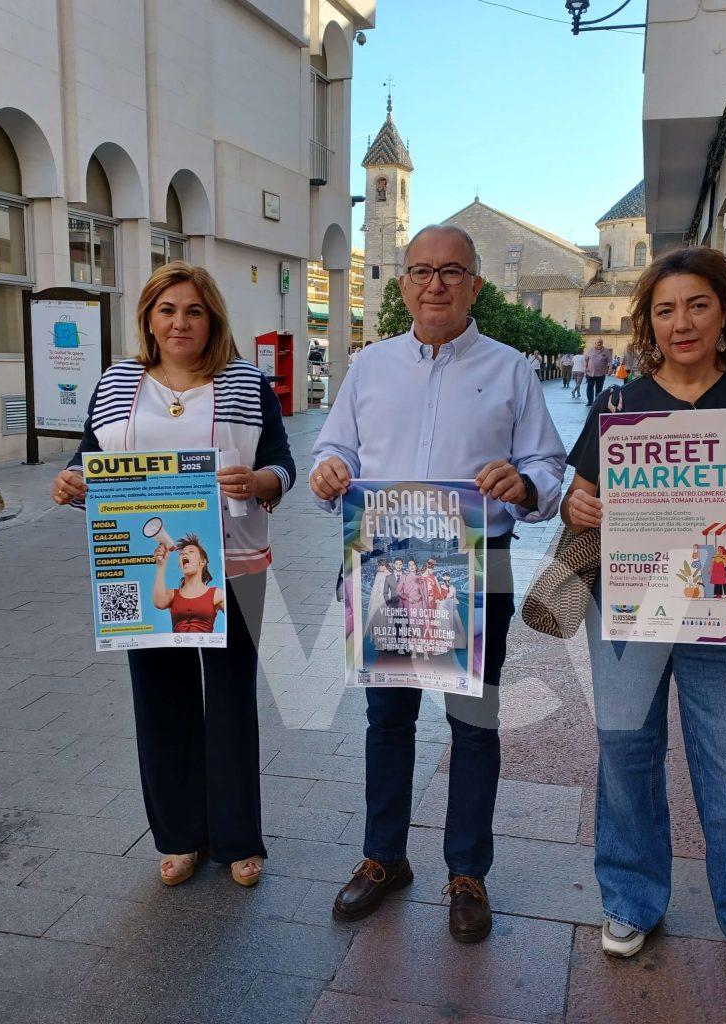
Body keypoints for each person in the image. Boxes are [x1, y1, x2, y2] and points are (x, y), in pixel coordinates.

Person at [560, 245, 726, 993]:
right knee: (626, 759)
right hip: (629, 607)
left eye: (697, 306)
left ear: (723, 313)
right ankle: (631, 899)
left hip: (723, 611)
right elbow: (577, 502)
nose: (682, 323)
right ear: (648, 323)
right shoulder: (619, 406)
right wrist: (577, 505)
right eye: (665, 310)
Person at [309, 224, 565, 943]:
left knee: (474, 726)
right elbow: (334, 448)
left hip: (477, 568)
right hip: (385, 564)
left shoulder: (511, 369)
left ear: (475, 285)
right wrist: (328, 472)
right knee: (387, 721)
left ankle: (467, 873)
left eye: (452, 271)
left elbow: (547, 468)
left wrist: (523, 484)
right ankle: (384, 859)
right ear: (402, 284)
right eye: (421, 270)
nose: (435, 284)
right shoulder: (369, 367)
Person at [51, 261, 296, 889]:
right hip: (142, 572)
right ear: (149, 319)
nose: (180, 322)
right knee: (160, 701)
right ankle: (180, 836)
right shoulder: (117, 383)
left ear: (211, 318)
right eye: (167, 310)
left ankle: (238, 839)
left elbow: (281, 465)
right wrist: (74, 479)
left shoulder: (246, 383)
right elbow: (90, 457)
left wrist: (258, 481)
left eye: (193, 310)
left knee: (231, 700)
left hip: (233, 569)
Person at [153, 533, 226, 632]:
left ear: (202, 562)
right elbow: (159, 603)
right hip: (178, 642)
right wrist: (161, 566)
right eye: (182, 553)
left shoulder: (217, 594)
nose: (184, 554)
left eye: (191, 551)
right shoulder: (172, 595)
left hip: (204, 642)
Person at [584, 337, 610, 406]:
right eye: (598, 342)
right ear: (595, 343)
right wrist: (585, 368)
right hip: (590, 373)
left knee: (599, 389)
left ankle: (597, 402)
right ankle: (590, 401)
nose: (599, 344)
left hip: (601, 374)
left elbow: (610, 361)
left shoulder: (606, 351)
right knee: (589, 388)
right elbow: (586, 359)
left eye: (601, 342)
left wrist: (610, 370)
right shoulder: (590, 350)